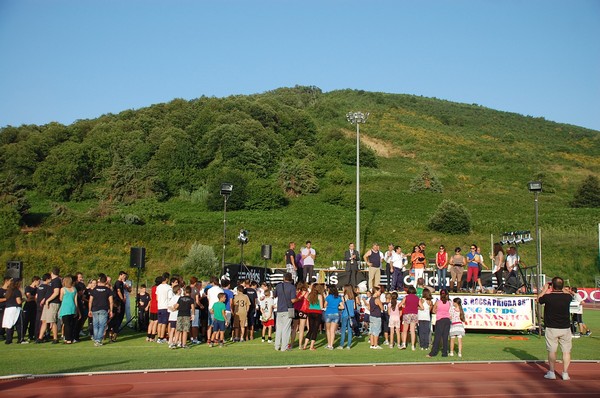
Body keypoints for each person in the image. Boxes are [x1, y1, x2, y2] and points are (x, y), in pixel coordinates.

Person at [538, 277, 573, 380]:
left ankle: (552, 372)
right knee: (566, 352)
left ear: (552, 286)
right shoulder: (567, 297)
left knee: (552, 351)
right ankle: (565, 373)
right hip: (565, 328)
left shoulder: (548, 297)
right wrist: (561, 288)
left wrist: (544, 289)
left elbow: (538, 299)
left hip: (551, 328)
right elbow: (569, 294)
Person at [274, 272, 297, 351]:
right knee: (286, 329)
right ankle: (284, 347)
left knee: (279, 328)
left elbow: (275, 295)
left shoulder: (278, 286)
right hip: (288, 309)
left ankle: (277, 346)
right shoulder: (292, 287)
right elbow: (293, 300)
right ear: (290, 279)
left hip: (279, 309)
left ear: (284, 278)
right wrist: (299, 299)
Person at [88, 273, 113, 346]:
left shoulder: (94, 289)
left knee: (95, 325)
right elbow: (111, 301)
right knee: (102, 325)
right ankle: (98, 340)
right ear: (106, 281)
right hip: (103, 309)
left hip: (95, 309)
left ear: (99, 281)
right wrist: (111, 310)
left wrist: (89, 310)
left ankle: (96, 339)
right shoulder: (108, 290)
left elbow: (90, 300)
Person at [38, 267, 62, 344]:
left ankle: (55, 338)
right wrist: (45, 299)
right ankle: (40, 337)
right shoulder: (52, 281)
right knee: (44, 321)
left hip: (53, 303)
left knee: (52, 321)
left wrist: (48, 300)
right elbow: (49, 292)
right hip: (47, 302)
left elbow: (56, 292)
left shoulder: (57, 281)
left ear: (52, 273)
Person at [427, 289, 451, 358]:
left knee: (437, 337)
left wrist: (438, 311)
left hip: (440, 320)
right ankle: (445, 353)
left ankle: (433, 353)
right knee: (445, 337)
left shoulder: (438, 302)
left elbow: (434, 311)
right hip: (447, 320)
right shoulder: (449, 302)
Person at [2, 278, 25, 344]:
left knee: (9, 325)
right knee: (19, 324)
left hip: (8, 309)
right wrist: (23, 300)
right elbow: (18, 302)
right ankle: (20, 339)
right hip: (15, 309)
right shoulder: (17, 291)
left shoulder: (8, 291)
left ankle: (8, 340)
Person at [58, 276, 79, 344]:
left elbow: (61, 298)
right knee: (71, 324)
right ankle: (72, 338)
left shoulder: (63, 289)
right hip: (72, 308)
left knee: (66, 324)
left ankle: (68, 339)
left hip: (65, 308)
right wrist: (76, 309)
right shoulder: (74, 289)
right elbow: (76, 301)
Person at [303, 283, 324, 351]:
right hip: (317, 312)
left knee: (310, 329)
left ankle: (305, 345)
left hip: (310, 312)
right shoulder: (319, 296)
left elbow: (306, 300)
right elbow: (321, 307)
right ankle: (311, 346)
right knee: (315, 330)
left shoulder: (310, 295)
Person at [109, 271, 127, 342]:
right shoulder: (118, 283)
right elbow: (119, 291)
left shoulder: (122, 283)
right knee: (116, 318)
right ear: (120, 275)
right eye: (124, 275)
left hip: (120, 302)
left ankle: (114, 334)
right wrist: (122, 299)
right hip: (117, 303)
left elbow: (123, 291)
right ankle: (113, 334)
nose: (124, 277)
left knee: (120, 317)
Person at [400, 285, 419, 350]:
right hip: (414, 314)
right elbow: (422, 307)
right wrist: (416, 307)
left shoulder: (406, 297)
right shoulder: (417, 298)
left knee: (405, 330)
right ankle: (413, 346)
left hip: (407, 313)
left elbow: (400, 304)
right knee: (412, 330)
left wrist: (404, 306)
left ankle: (404, 343)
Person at [324, 285, 342, 350]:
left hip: (328, 313)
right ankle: (331, 345)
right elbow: (342, 306)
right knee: (333, 331)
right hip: (336, 313)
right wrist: (337, 307)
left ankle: (329, 344)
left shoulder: (328, 297)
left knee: (328, 330)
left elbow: (324, 305)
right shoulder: (338, 297)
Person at [291, 282, 309, 349]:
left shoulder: (295, 292)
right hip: (303, 310)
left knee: (294, 328)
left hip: (296, 309)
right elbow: (308, 300)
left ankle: (292, 344)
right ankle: (300, 345)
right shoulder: (306, 293)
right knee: (301, 328)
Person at [23, 276, 40, 342]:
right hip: (28, 307)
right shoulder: (28, 288)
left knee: (33, 322)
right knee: (25, 322)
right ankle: (22, 335)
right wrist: (35, 297)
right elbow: (29, 297)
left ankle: (31, 335)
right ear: (35, 281)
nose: (39, 282)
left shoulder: (38, 289)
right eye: (38, 281)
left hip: (34, 307)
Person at [34, 274, 51, 342]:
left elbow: (36, 296)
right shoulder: (48, 287)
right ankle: (44, 335)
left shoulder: (39, 287)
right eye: (50, 279)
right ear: (47, 279)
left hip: (38, 305)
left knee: (38, 320)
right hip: (44, 306)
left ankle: (37, 334)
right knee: (45, 321)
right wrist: (44, 300)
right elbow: (47, 295)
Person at [339, 284, 355, 349]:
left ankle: (341, 345)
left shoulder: (343, 297)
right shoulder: (352, 297)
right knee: (350, 330)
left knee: (343, 330)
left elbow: (342, 307)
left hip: (345, 314)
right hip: (351, 315)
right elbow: (354, 307)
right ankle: (349, 345)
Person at [147, 276, 162, 342]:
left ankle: (148, 336)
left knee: (151, 321)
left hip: (152, 305)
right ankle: (152, 337)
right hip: (156, 305)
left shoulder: (153, 287)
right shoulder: (158, 288)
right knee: (156, 322)